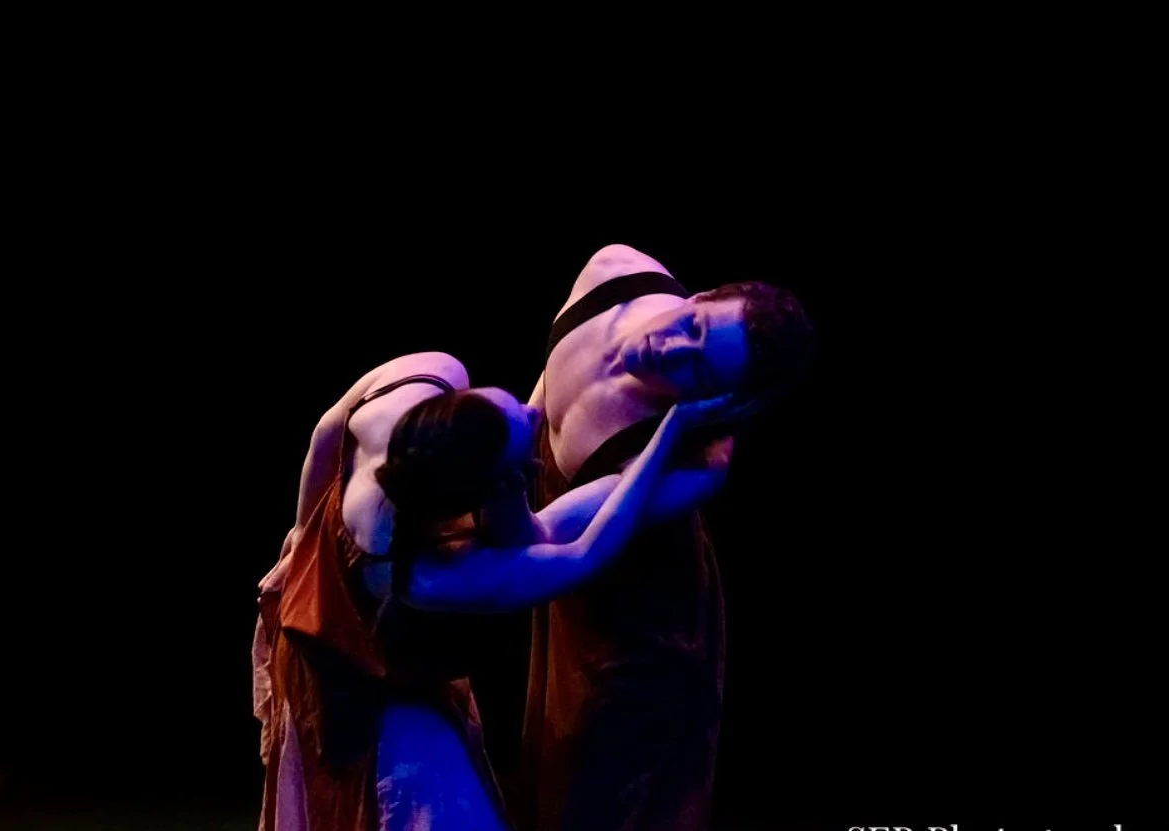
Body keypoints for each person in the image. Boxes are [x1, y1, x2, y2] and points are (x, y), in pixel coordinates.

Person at [252, 350, 739, 831]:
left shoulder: (423, 381)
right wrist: (670, 431)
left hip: (366, 637)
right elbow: (583, 553)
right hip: (355, 678)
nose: (532, 413)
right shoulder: (426, 576)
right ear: (484, 490)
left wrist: (299, 534)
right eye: (523, 433)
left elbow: (326, 430)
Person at [518, 244, 816, 831]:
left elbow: (544, 533)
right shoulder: (614, 270)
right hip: (571, 577)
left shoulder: (695, 465)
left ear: (715, 402)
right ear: (699, 296)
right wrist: (517, 430)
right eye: (694, 326)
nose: (671, 350)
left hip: (638, 623)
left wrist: (673, 428)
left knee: (606, 791)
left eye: (696, 373)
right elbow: (549, 388)